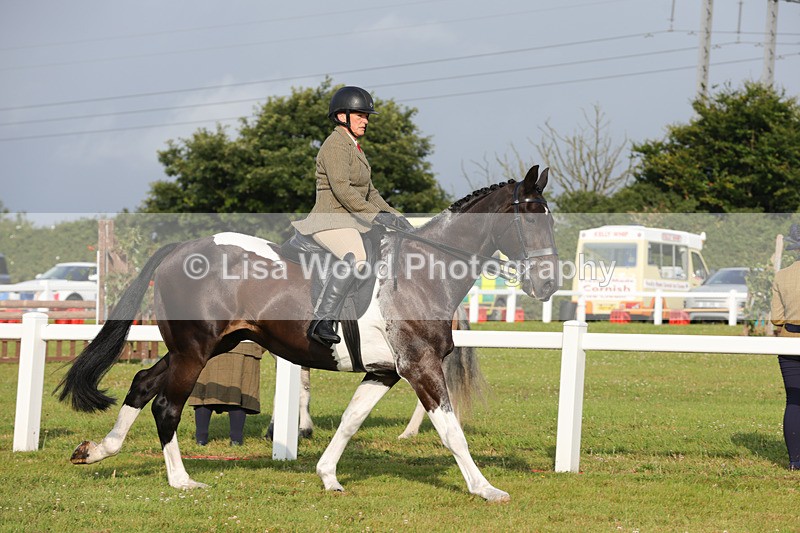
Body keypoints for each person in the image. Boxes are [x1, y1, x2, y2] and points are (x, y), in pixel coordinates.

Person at [292, 85, 413, 346]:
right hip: (329, 220)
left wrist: (395, 217)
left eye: (366, 116)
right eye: (360, 115)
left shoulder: (355, 148)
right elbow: (343, 190)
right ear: (341, 116)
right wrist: (375, 216)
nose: (365, 121)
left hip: (351, 220)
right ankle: (322, 320)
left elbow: (371, 192)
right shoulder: (335, 145)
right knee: (357, 258)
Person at [188, 342, 264, 446]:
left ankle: (201, 439)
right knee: (238, 392)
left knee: (205, 390)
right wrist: (257, 347)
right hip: (243, 348)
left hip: (210, 345)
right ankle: (236, 440)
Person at [770, 223, 800, 471]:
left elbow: (777, 319)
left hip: (790, 341)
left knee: (794, 400)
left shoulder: (782, 276)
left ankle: (795, 461)